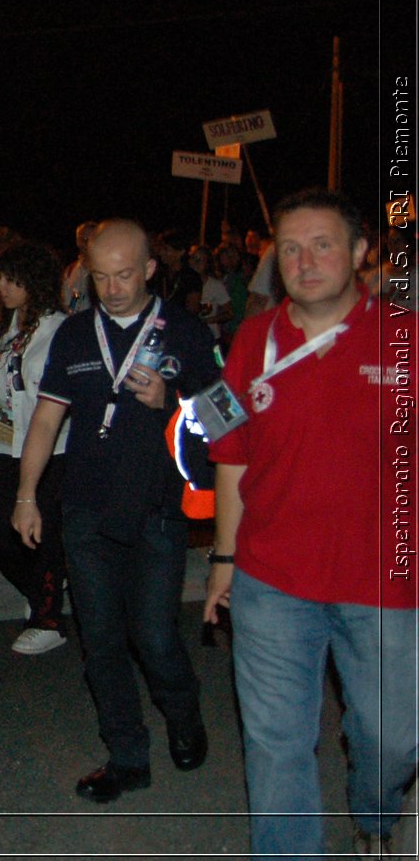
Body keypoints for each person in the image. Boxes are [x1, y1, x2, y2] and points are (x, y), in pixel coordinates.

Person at [202, 189, 417, 858]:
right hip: (273, 578)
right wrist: (222, 560)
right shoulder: (249, 339)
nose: (305, 260)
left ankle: (375, 814)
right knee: (275, 743)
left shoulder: (406, 339)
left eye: (322, 243)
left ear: (359, 253)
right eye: (289, 248)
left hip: (385, 580)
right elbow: (228, 453)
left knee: (393, 736)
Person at [15, 219, 218, 802]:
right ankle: (127, 755)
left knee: (154, 637)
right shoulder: (76, 335)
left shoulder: (184, 330)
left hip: (157, 507)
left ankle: (184, 714)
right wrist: (27, 497)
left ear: (151, 268)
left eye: (125, 274)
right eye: (101, 276)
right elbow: (45, 421)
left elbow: (227, 416)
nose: (112, 288)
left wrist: (172, 398)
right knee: (100, 640)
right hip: (84, 507)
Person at [0, 240, 71, 655]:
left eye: (12, 279)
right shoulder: (5, 328)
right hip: (4, 447)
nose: (1, 286)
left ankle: (48, 618)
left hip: (51, 449)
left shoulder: (60, 328)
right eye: (0, 278)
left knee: (43, 532)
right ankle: (45, 592)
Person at [61, 220, 98, 313]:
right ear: (77, 241)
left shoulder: (105, 269)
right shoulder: (71, 270)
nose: (86, 243)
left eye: (90, 239)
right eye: (82, 239)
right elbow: (73, 298)